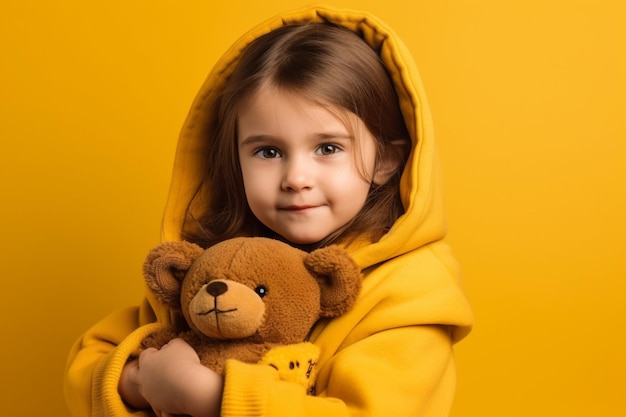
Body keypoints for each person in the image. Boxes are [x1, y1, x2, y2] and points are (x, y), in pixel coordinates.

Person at [64, 5, 473, 417]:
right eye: (268, 151)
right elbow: (87, 362)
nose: (296, 177)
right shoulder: (218, 264)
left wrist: (205, 397)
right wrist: (138, 382)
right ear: (234, 161)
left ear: (384, 160)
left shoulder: (410, 293)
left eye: (328, 148)